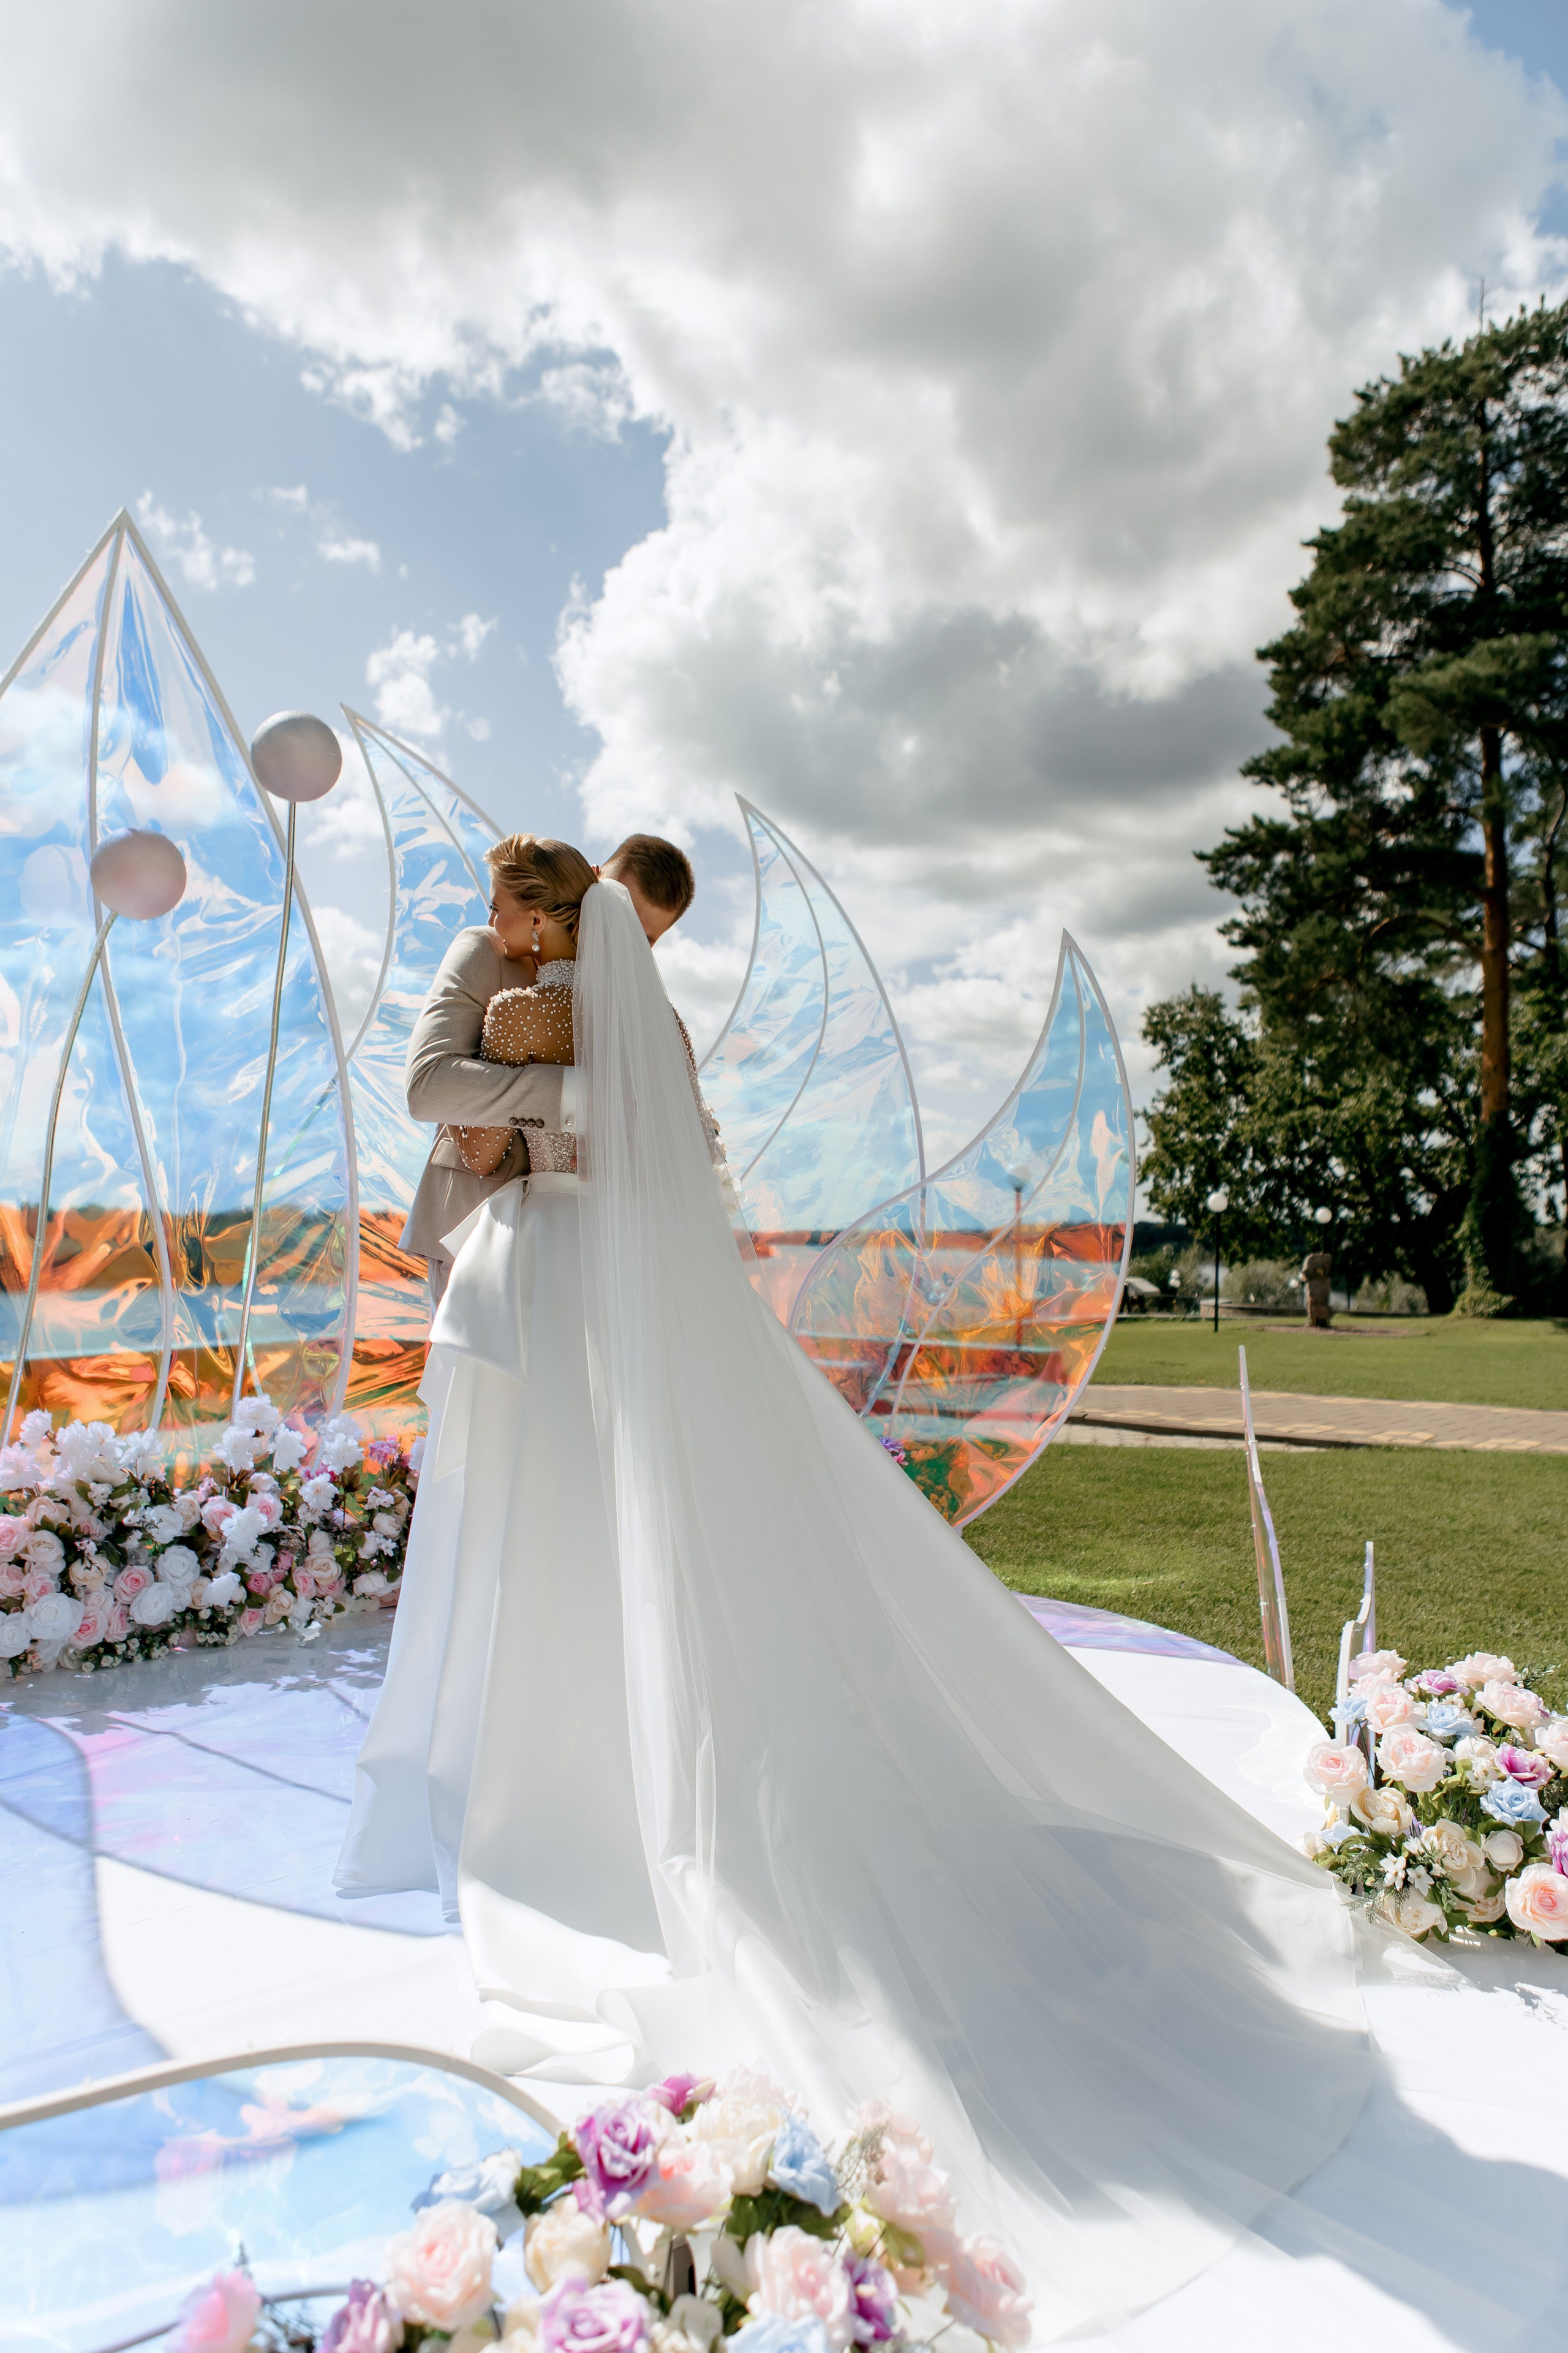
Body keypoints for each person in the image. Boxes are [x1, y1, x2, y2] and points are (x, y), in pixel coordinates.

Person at [339, 872, 1370, 2343]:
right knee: (544, 1539)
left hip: (583, 1273)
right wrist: (568, 1082)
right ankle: (559, 1743)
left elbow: (659, 1148)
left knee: (603, 1535)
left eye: (576, 909)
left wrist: (576, 1093)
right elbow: (448, 1083)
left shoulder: (647, 1024)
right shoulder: (514, 979)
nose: (552, 925)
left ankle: (594, 1773)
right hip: (524, 1266)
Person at [399, 831, 695, 1305]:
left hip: (585, 1245)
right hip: (472, 1223)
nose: (621, 935)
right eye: (613, 904)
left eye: (645, 939)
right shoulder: (486, 948)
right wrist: (576, 1097)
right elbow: (428, 1084)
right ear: (593, 880)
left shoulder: (634, 1008)